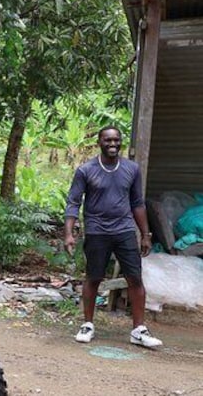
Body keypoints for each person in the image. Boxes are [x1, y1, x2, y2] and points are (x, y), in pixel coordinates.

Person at [64, 126, 162, 348]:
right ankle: (87, 324)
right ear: (99, 142)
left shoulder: (131, 169)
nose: (113, 144)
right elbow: (73, 202)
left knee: (135, 278)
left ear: (121, 142)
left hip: (124, 231)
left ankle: (138, 330)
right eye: (108, 140)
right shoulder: (85, 170)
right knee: (93, 277)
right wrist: (68, 233)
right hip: (97, 231)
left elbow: (137, 203)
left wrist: (145, 234)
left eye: (116, 140)